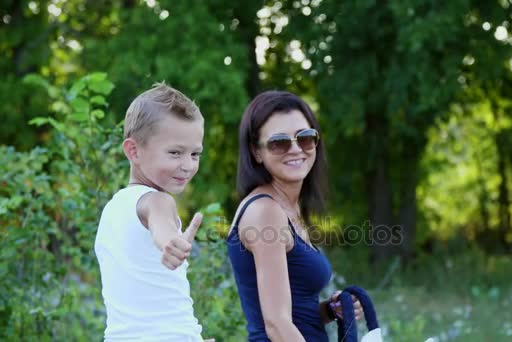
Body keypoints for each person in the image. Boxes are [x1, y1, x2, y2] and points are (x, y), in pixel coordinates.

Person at [227, 91, 362, 341]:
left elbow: (295, 314)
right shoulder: (265, 212)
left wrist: (331, 310)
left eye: (306, 138)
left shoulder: (287, 208)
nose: (296, 149)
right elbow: (276, 325)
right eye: (279, 142)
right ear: (257, 152)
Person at [95, 83, 213, 341]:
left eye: (195, 154)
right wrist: (170, 242)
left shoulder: (113, 209)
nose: (187, 165)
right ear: (134, 151)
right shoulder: (158, 201)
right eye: (175, 153)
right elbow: (160, 223)